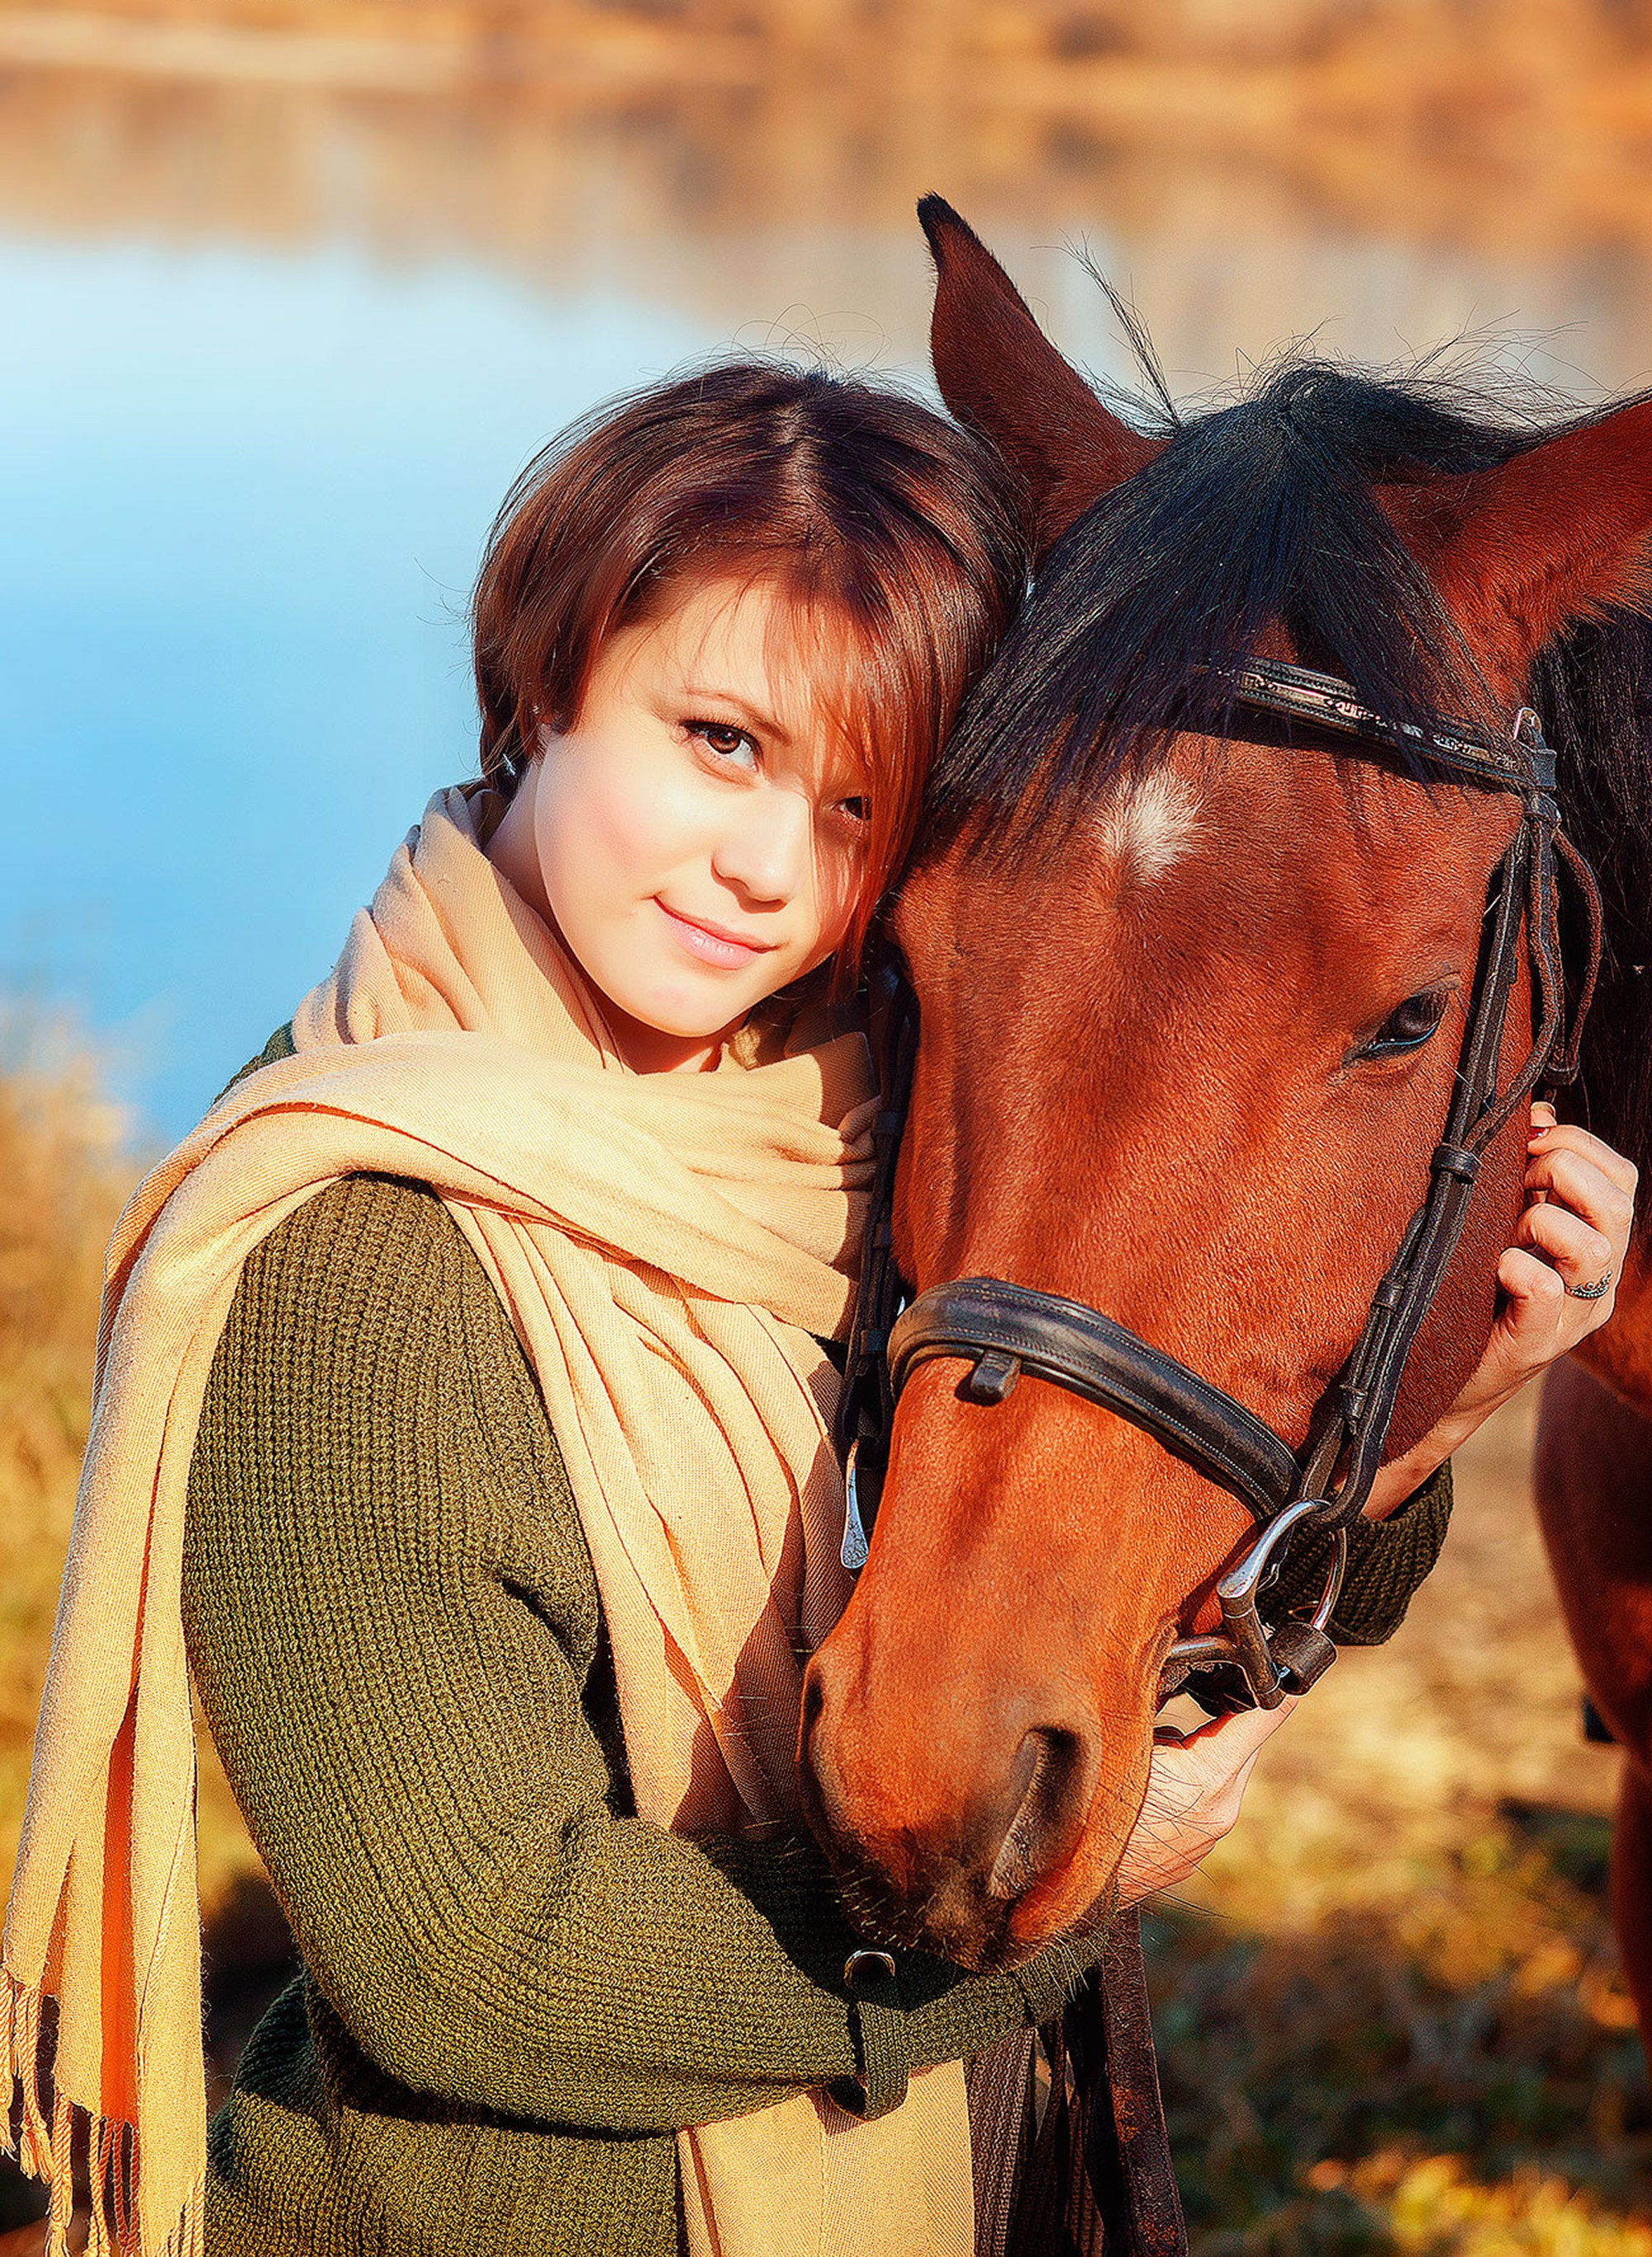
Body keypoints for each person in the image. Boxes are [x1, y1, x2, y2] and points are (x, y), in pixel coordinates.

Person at [2, 362, 1633, 2257]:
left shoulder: (862, 1125)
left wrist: (1447, 1399)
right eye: (715, 738)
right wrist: (1055, 1920)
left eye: (862, 795)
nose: (765, 867)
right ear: (543, 689)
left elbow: (1133, 1589)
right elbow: (479, 1964)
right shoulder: (349, 1258)